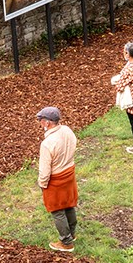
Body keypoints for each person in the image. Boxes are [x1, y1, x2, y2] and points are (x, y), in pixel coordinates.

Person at [36, 106, 77, 252]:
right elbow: (74, 143)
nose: (39, 122)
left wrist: (42, 184)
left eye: (40, 120)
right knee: (69, 204)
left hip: (56, 179)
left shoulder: (47, 144)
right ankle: (72, 233)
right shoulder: (67, 130)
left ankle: (66, 242)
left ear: (47, 123)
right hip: (69, 174)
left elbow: (45, 170)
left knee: (57, 210)